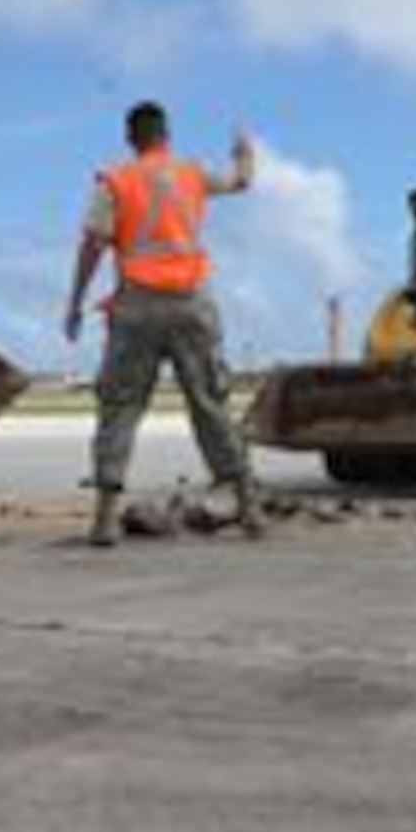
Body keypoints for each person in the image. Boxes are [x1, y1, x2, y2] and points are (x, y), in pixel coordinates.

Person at [64, 101, 259, 546]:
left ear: (131, 138)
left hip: (136, 307)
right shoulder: (193, 174)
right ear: (166, 135)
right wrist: (244, 150)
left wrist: (76, 302)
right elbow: (243, 179)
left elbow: (93, 243)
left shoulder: (115, 180)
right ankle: (249, 505)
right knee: (210, 402)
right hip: (192, 303)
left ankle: (106, 518)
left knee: (120, 406)